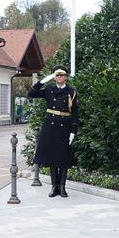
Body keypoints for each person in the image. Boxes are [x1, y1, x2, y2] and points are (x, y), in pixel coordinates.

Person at [28, 65, 78, 198]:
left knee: (63, 158)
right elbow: (31, 93)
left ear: (65, 77)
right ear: (54, 77)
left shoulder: (71, 92)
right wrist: (42, 81)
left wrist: (73, 131)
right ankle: (54, 187)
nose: (59, 77)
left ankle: (62, 187)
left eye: (62, 75)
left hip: (65, 126)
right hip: (50, 126)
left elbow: (75, 113)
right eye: (57, 75)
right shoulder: (49, 89)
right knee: (52, 158)